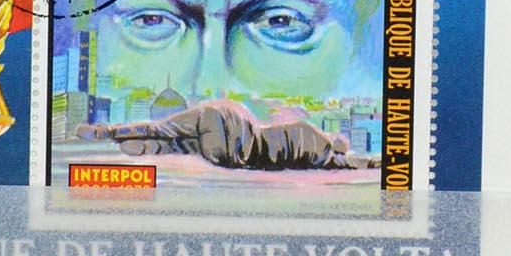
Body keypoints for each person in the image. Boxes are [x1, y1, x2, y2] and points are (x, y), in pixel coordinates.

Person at [81, 99, 361, 171]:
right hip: (231, 155)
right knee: (183, 147)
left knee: (162, 128)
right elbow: (359, 163)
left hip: (230, 122)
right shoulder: (322, 157)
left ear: (335, 139)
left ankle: (108, 131)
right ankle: (150, 149)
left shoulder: (309, 132)